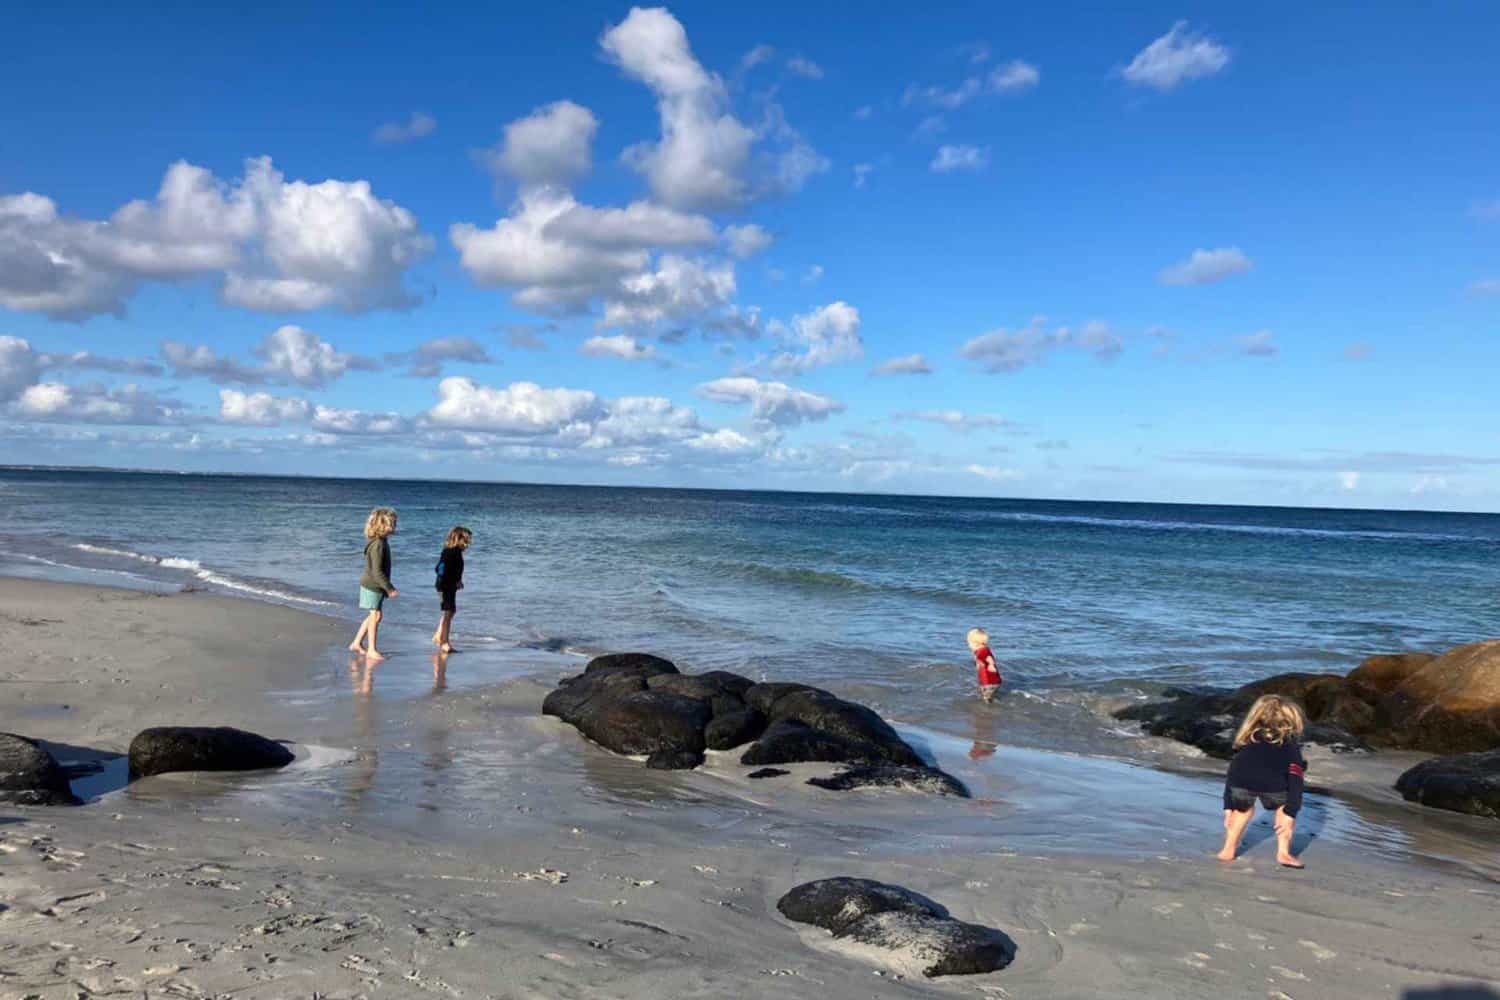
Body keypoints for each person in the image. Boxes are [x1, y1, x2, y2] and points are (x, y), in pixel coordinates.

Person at [1217, 694, 1309, 868]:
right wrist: (1291, 811)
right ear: (1292, 721)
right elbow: (1296, 780)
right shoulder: (1290, 747)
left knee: (1242, 810)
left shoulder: (1247, 741)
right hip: (1274, 785)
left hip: (1241, 781)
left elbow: (1233, 770)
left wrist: (1228, 804)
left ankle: (1228, 849)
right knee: (1283, 809)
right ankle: (1283, 852)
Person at [349, 507, 398, 662]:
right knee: (375, 615)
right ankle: (371, 649)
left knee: (374, 615)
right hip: (372, 584)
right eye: (392, 524)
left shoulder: (381, 542)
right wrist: (389, 588)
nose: (394, 527)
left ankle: (356, 643)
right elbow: (376, 571)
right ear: (381, 525)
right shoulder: (378, 545)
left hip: (374, 584)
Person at [431, 525, 471, 654]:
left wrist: (458, 581)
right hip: (445, 585)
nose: (468, 544)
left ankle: (438, 635)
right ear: (458, 539)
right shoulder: (450, 552)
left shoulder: (456, 552)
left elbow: (456, 569)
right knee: (448, 613)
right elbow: (439, 568)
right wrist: (445, 580)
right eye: (466, 540)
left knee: (451, 612)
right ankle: (444, 643)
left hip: (450, 585)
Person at [966, 627, 1003, 703]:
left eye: (969, 643)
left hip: (989, 682)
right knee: (987, 693)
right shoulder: (983, 649)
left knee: (986, 698)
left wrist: (991, 665)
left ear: (975, 643)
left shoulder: (982, 652)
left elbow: (989, 658)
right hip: (993, 680)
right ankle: (991, 700)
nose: (969, 646)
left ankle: (988, 709)